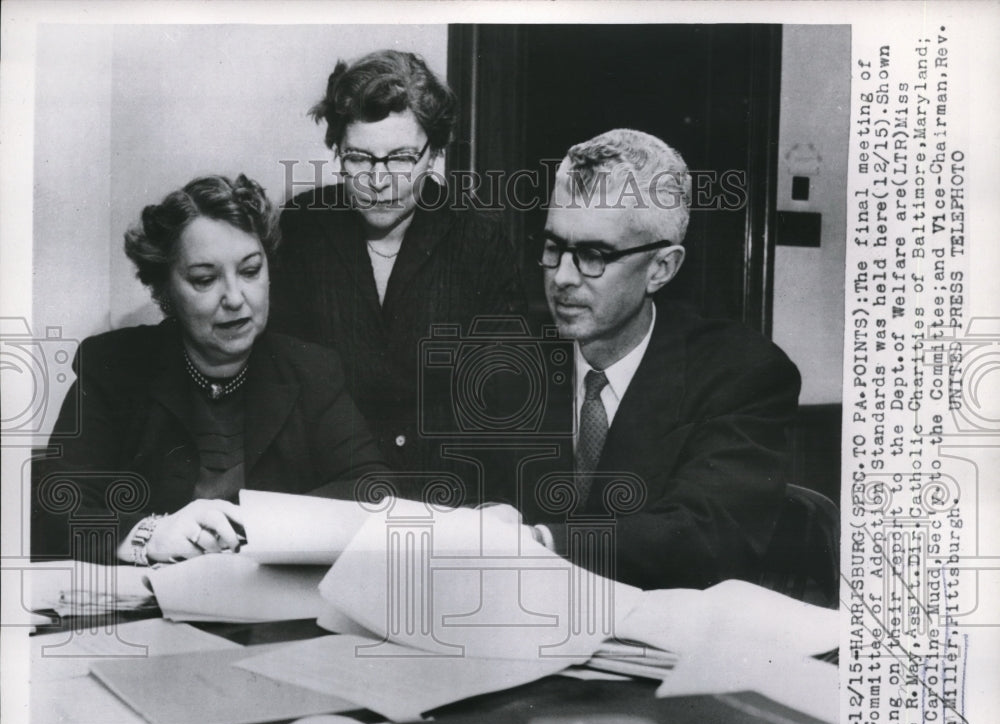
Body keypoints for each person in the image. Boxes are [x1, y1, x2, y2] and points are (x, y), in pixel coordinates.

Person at [31, 175, 389, 566]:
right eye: (205, 279)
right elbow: (56, 507)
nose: (235, 298)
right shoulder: (114, 367)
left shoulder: (311, 369)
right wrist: (149, 535)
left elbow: (371, 488)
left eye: (250, 271)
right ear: (164, 290)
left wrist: (260, 525)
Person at [525, 129, 802, 591]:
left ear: (662, 268)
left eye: (594, 255)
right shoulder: (508, 365)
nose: (563, 277)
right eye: (554, 247)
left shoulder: (741, 374)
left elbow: (706, 536)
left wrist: (540, 542)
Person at [269, 49, 526, 484]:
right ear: (337, 149)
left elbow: (502, 405)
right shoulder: (303, 226)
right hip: (327, 492)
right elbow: (279, 384)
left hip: (444, 496)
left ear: (435, 153)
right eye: (358, 158)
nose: (379, 180)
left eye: (402, 158)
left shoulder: (479, 239)